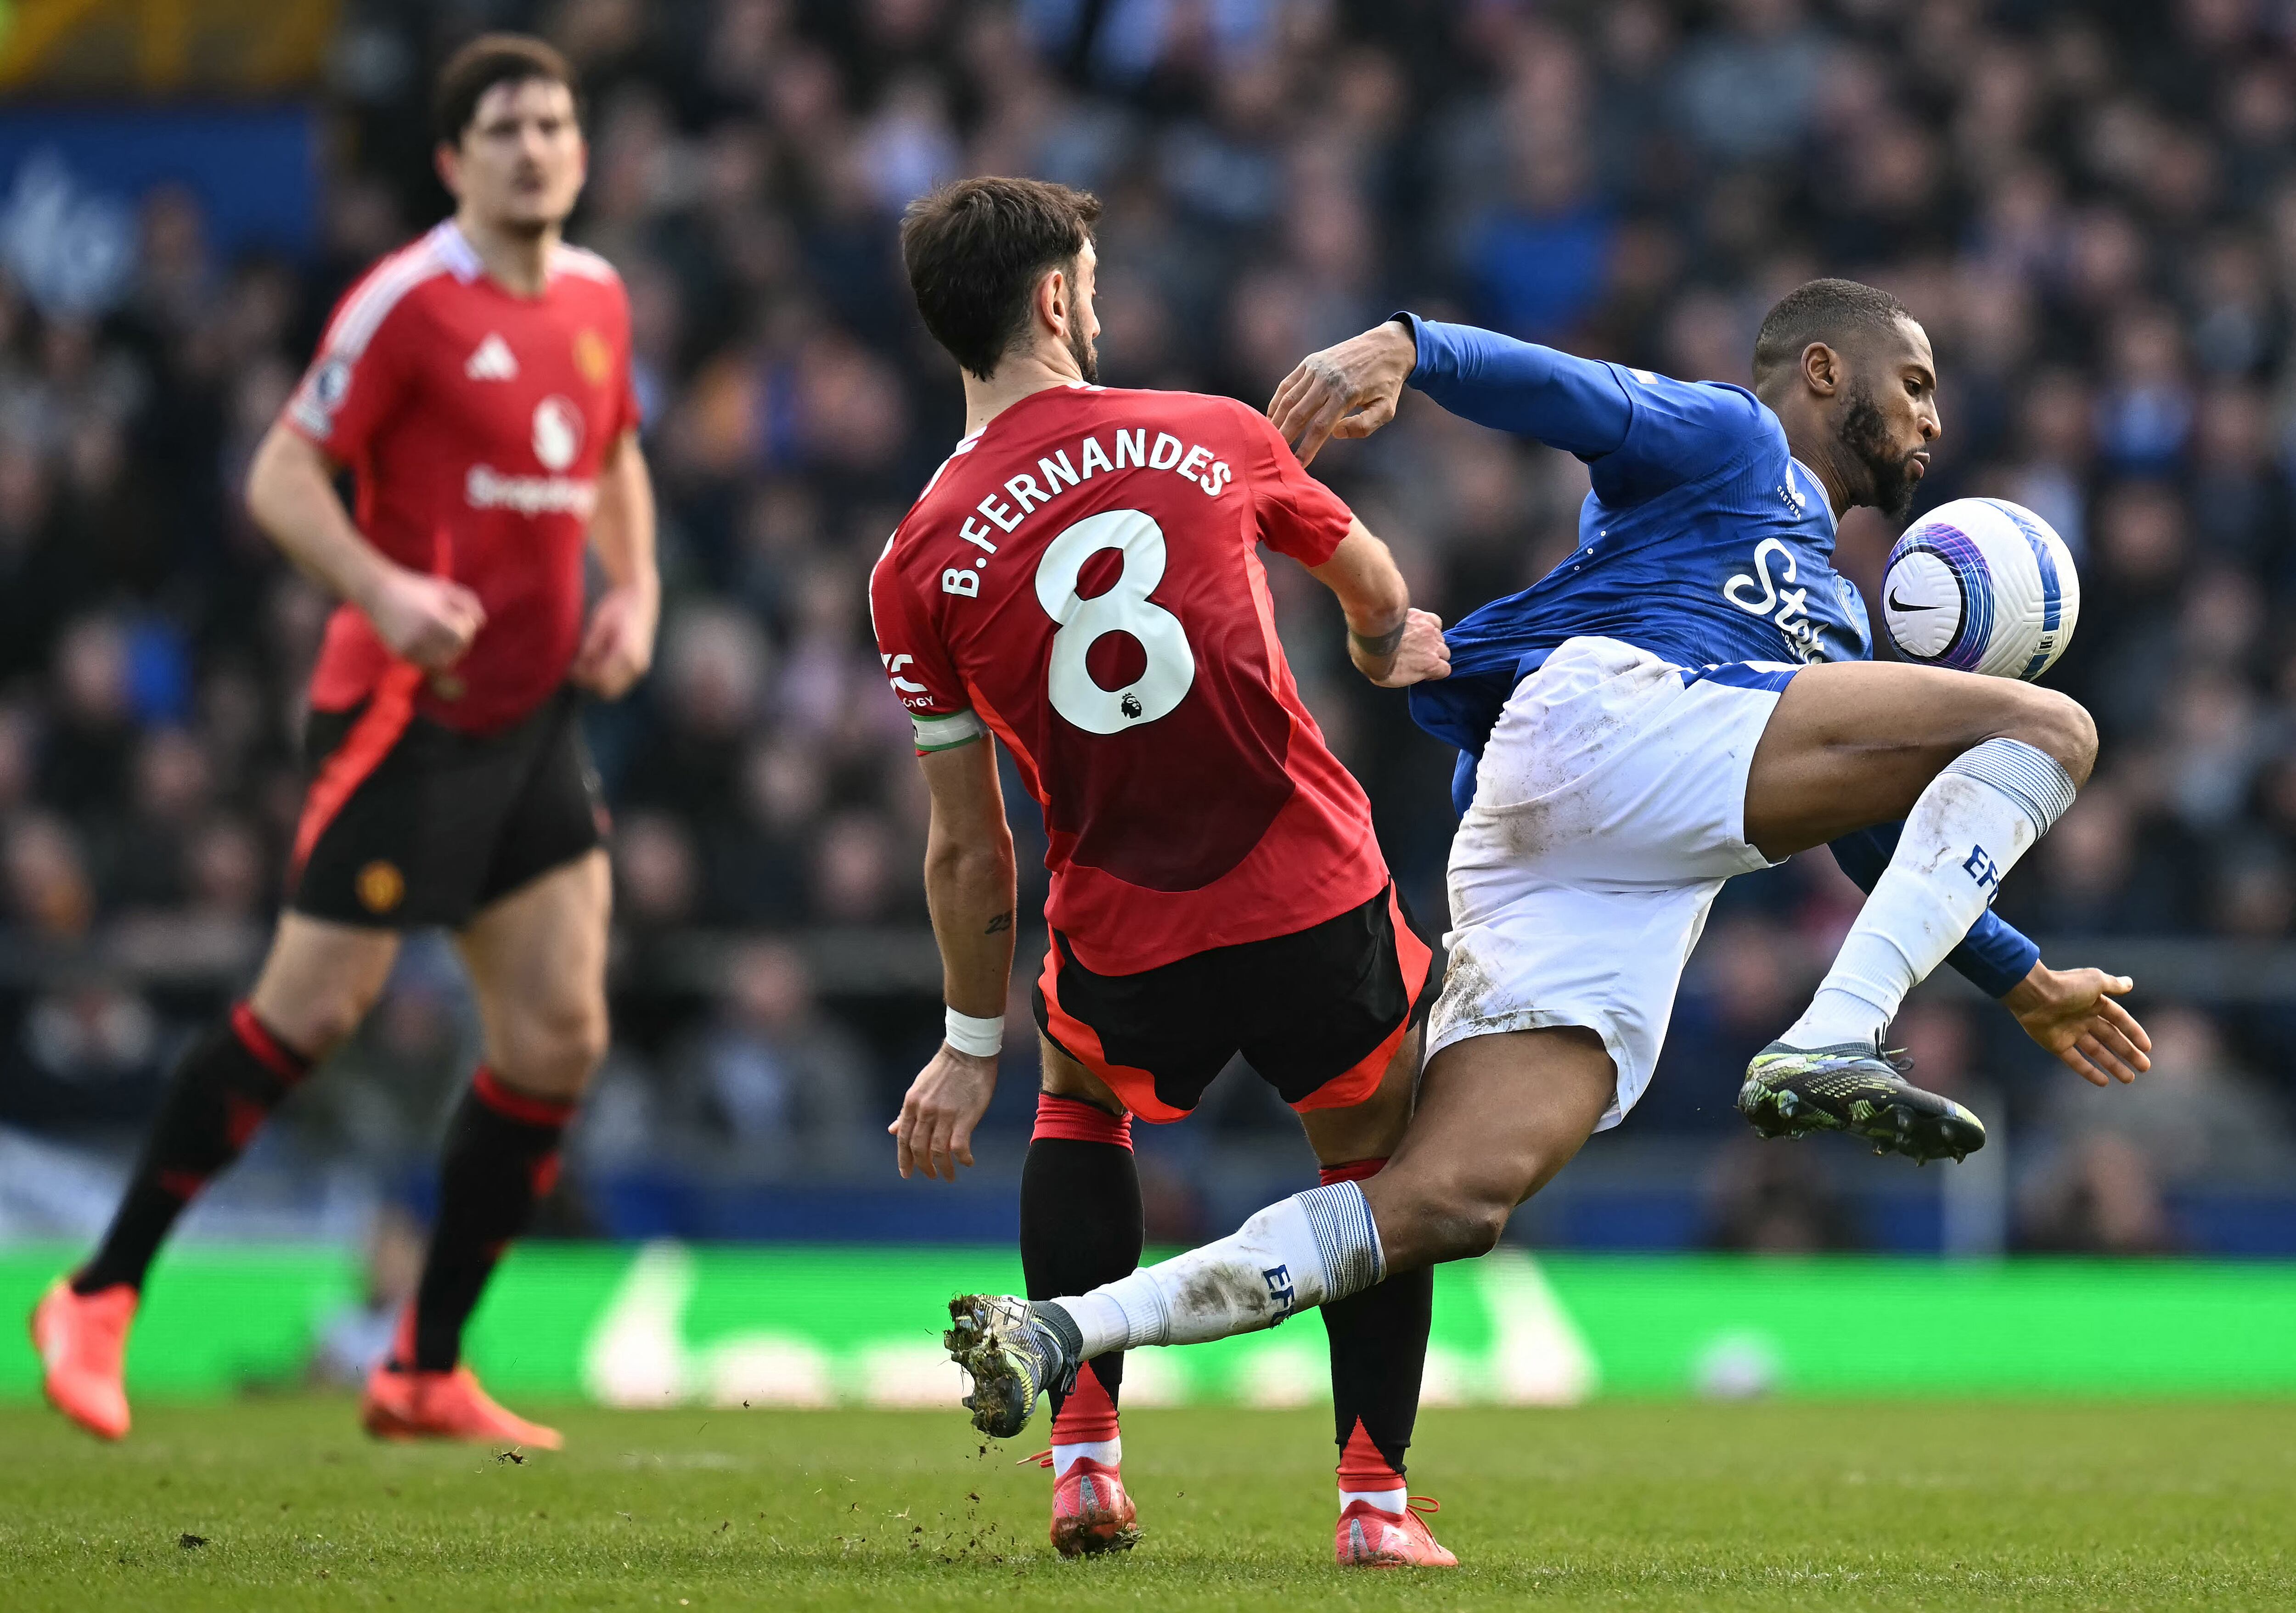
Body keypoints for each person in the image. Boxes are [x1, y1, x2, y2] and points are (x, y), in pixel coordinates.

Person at [944, 280, 2155, 1434]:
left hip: (1598, 852)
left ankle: (1061, 1325)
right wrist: (1410, 347)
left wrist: (2019, 975)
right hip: (1626, 727)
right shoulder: (1737, 445)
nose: (1935, 416)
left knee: (1446, 1203)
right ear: (1827, 371)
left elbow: (1864, 823)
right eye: (1918, 380)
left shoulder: (1827, 617)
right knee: (2051, 725)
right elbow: (1582, 399)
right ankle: (1833, 1038)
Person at [32, 34, 656, 1451]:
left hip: (533, 712)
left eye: (554, 123)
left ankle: (425, 1364)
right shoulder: (407, 305)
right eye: (502, 127)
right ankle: (98, 1292)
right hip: (403, 714)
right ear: (452, 161)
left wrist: (640, 593)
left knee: (560, 1032)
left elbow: (616, 452)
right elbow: (278, 473)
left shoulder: (600, 298)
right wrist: (381, 589)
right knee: (310, 1013)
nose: (534, 146)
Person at [874, 176, 1455, 1567]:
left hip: (1126, 928)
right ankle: (1373, 1504)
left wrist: (968, 1043)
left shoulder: (916, 561)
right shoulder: (1213, 431)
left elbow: (969, 843)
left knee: (1078, 1098)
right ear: (1058, 301)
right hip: (1312, 887)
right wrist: (1385, 646)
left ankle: (1084, 1465)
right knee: (1376, 1164)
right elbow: (1374, 584)